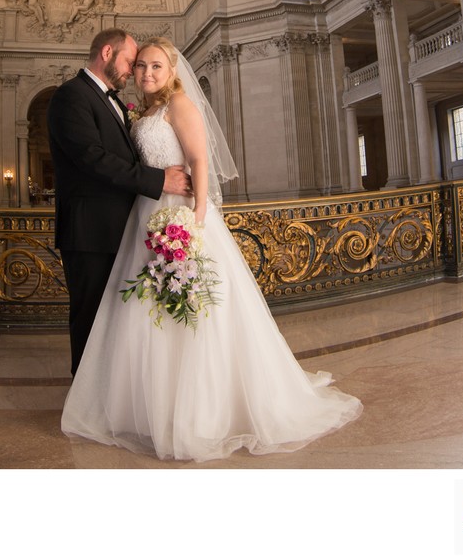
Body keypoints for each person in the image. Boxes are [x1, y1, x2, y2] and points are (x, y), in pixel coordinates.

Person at [61, 36, 362, 461]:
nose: (144, 73)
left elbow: (199, 161)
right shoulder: (139, 111)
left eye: (154, 67)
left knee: (198, 313)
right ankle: (149, 404)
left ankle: (202, 409)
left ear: (172, 71)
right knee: (149, 312)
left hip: (181, 215)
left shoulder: (179, 104)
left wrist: (195, 220)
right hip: (144, 220)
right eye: (140, 65)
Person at [47, 28, 192, 377]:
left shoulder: (109, 100)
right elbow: (92, 158)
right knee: (90, 316)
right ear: (108, 53)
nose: (134, 71)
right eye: (131, 62)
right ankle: (85, 396)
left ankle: (108, 393)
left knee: (114, 319)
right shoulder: (72, 96)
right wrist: (159, 180)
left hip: (120, 228)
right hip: (90, 232)